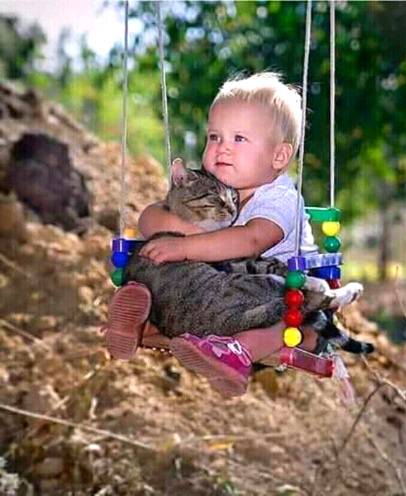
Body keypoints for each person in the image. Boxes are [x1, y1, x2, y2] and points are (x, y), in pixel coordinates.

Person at [106, 72, 330, 397]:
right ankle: (139, 318)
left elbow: (251, 240)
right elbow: (152, 216)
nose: (221, 148)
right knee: (164, 267)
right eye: (214, 137)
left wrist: (185, 247)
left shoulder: (281, 198)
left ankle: (236, 355)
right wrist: (180, 232)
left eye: (238, 139)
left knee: (286, 320)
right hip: (225, 293)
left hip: (286, 291)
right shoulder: (218, 187)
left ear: (279, 156)